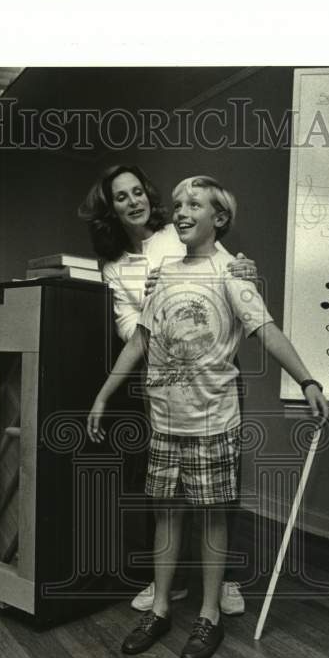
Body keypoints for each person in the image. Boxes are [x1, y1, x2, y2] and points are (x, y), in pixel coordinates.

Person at [86, 175, 329, 658]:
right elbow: (140, 341)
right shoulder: (165, 274)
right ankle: (158, 608)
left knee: (214, 517)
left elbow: (266, 331)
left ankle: (209, 613)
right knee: (167, 515)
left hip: (212, 422)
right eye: (176, 204)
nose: (179, 211)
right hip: (164, 419)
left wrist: (307, 381)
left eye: (193, 204)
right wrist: (103, 396)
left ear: (218, 218)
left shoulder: (232, 274)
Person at [78, 164, 256, 616]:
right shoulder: (114, 266)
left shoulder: (175, 232)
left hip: (212, 372)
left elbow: (224, 266)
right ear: (111, 209)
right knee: (162, 489)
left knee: (219, 487)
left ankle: (226, 581)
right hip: (160, 373)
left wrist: (244, 268)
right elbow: (128, 328)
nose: (133, 201)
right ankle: (169, 585)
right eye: (121, 197)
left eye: (138, 192)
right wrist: (153, 308)